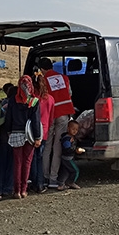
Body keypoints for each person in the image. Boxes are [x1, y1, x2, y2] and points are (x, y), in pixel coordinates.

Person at [39, 57, 75, 188]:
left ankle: (45, 177)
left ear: (42, 69)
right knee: (58, 147)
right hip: (64, 113)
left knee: (47, 146)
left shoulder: (43, 80)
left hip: (50, 115)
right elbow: (69, 93)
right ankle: (54, 178)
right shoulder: (64, 78)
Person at [5, 75, 41, 199]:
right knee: (27, 163)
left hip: (15, 133)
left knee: (17, 163)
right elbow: (36, 121)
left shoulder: (13, 100)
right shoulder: (34, 101)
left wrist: (9, 131)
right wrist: (37, 137)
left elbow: (8, 118)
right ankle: (24, 190)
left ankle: (17, 191)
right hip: (29, 135)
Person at [29, 76, 54, 193]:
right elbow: (51, 118)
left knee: (32, 158)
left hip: (32, 132)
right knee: (39, 158)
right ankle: (40, 183)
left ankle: (34, 182)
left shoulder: (33, 100)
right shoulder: (51, 99)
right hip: (44, 131)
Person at [0, 85, 16, 198]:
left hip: (2, 137)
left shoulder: (3, 105)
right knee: (11, 164)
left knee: (2, 163)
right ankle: (8, 187)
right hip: (13, 137)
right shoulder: (16, 105)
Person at [56, 120, 84, 191]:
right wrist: (75, 150)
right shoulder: (67, 138)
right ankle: (71, 182)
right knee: (75, 170)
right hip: (68, 158)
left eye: (76, 130)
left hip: (66, 158)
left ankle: (61, 184)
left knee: (65, 171)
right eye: (73, 129)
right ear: (68, 128)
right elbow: (67, 148)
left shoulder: (71, 137)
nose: (75, 131)